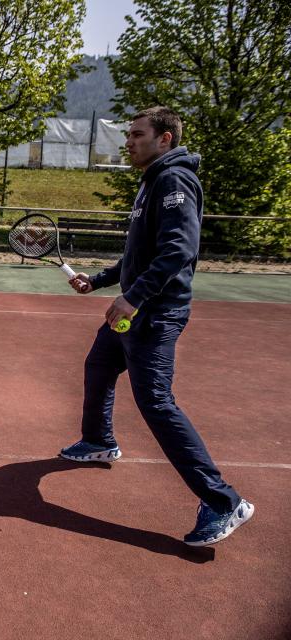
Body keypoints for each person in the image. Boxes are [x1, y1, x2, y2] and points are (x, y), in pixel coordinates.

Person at [60, 106, 253, 547]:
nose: (128, 141)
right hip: (138, 310)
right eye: (128, 134)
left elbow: (178, 250)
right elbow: (139, 255)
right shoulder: (153, 180)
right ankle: (98, 441)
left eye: (137, 134)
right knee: (99, 365)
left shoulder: (173, 180)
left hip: (154, 313)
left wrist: (133, 297)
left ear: (165, 138)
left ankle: (224, 502)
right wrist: (103, 279)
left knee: (156, 402)